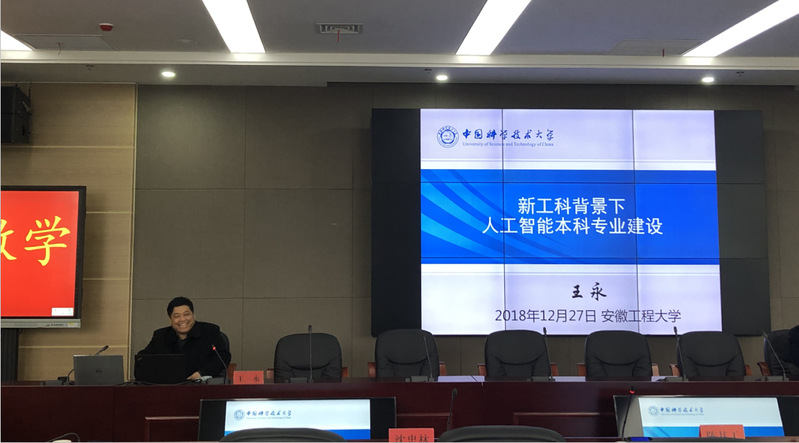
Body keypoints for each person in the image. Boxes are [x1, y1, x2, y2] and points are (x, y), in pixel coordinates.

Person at [138, 296, 231, 380]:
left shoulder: (210, 331)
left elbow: (223, 357)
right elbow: (143, 358)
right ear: (170, 319)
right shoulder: (161, 336)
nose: (182, 319)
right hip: (170, 385)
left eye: (186, 314)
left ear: (193, 315)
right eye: (177, 316)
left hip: (201, 384)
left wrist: (201, 373)